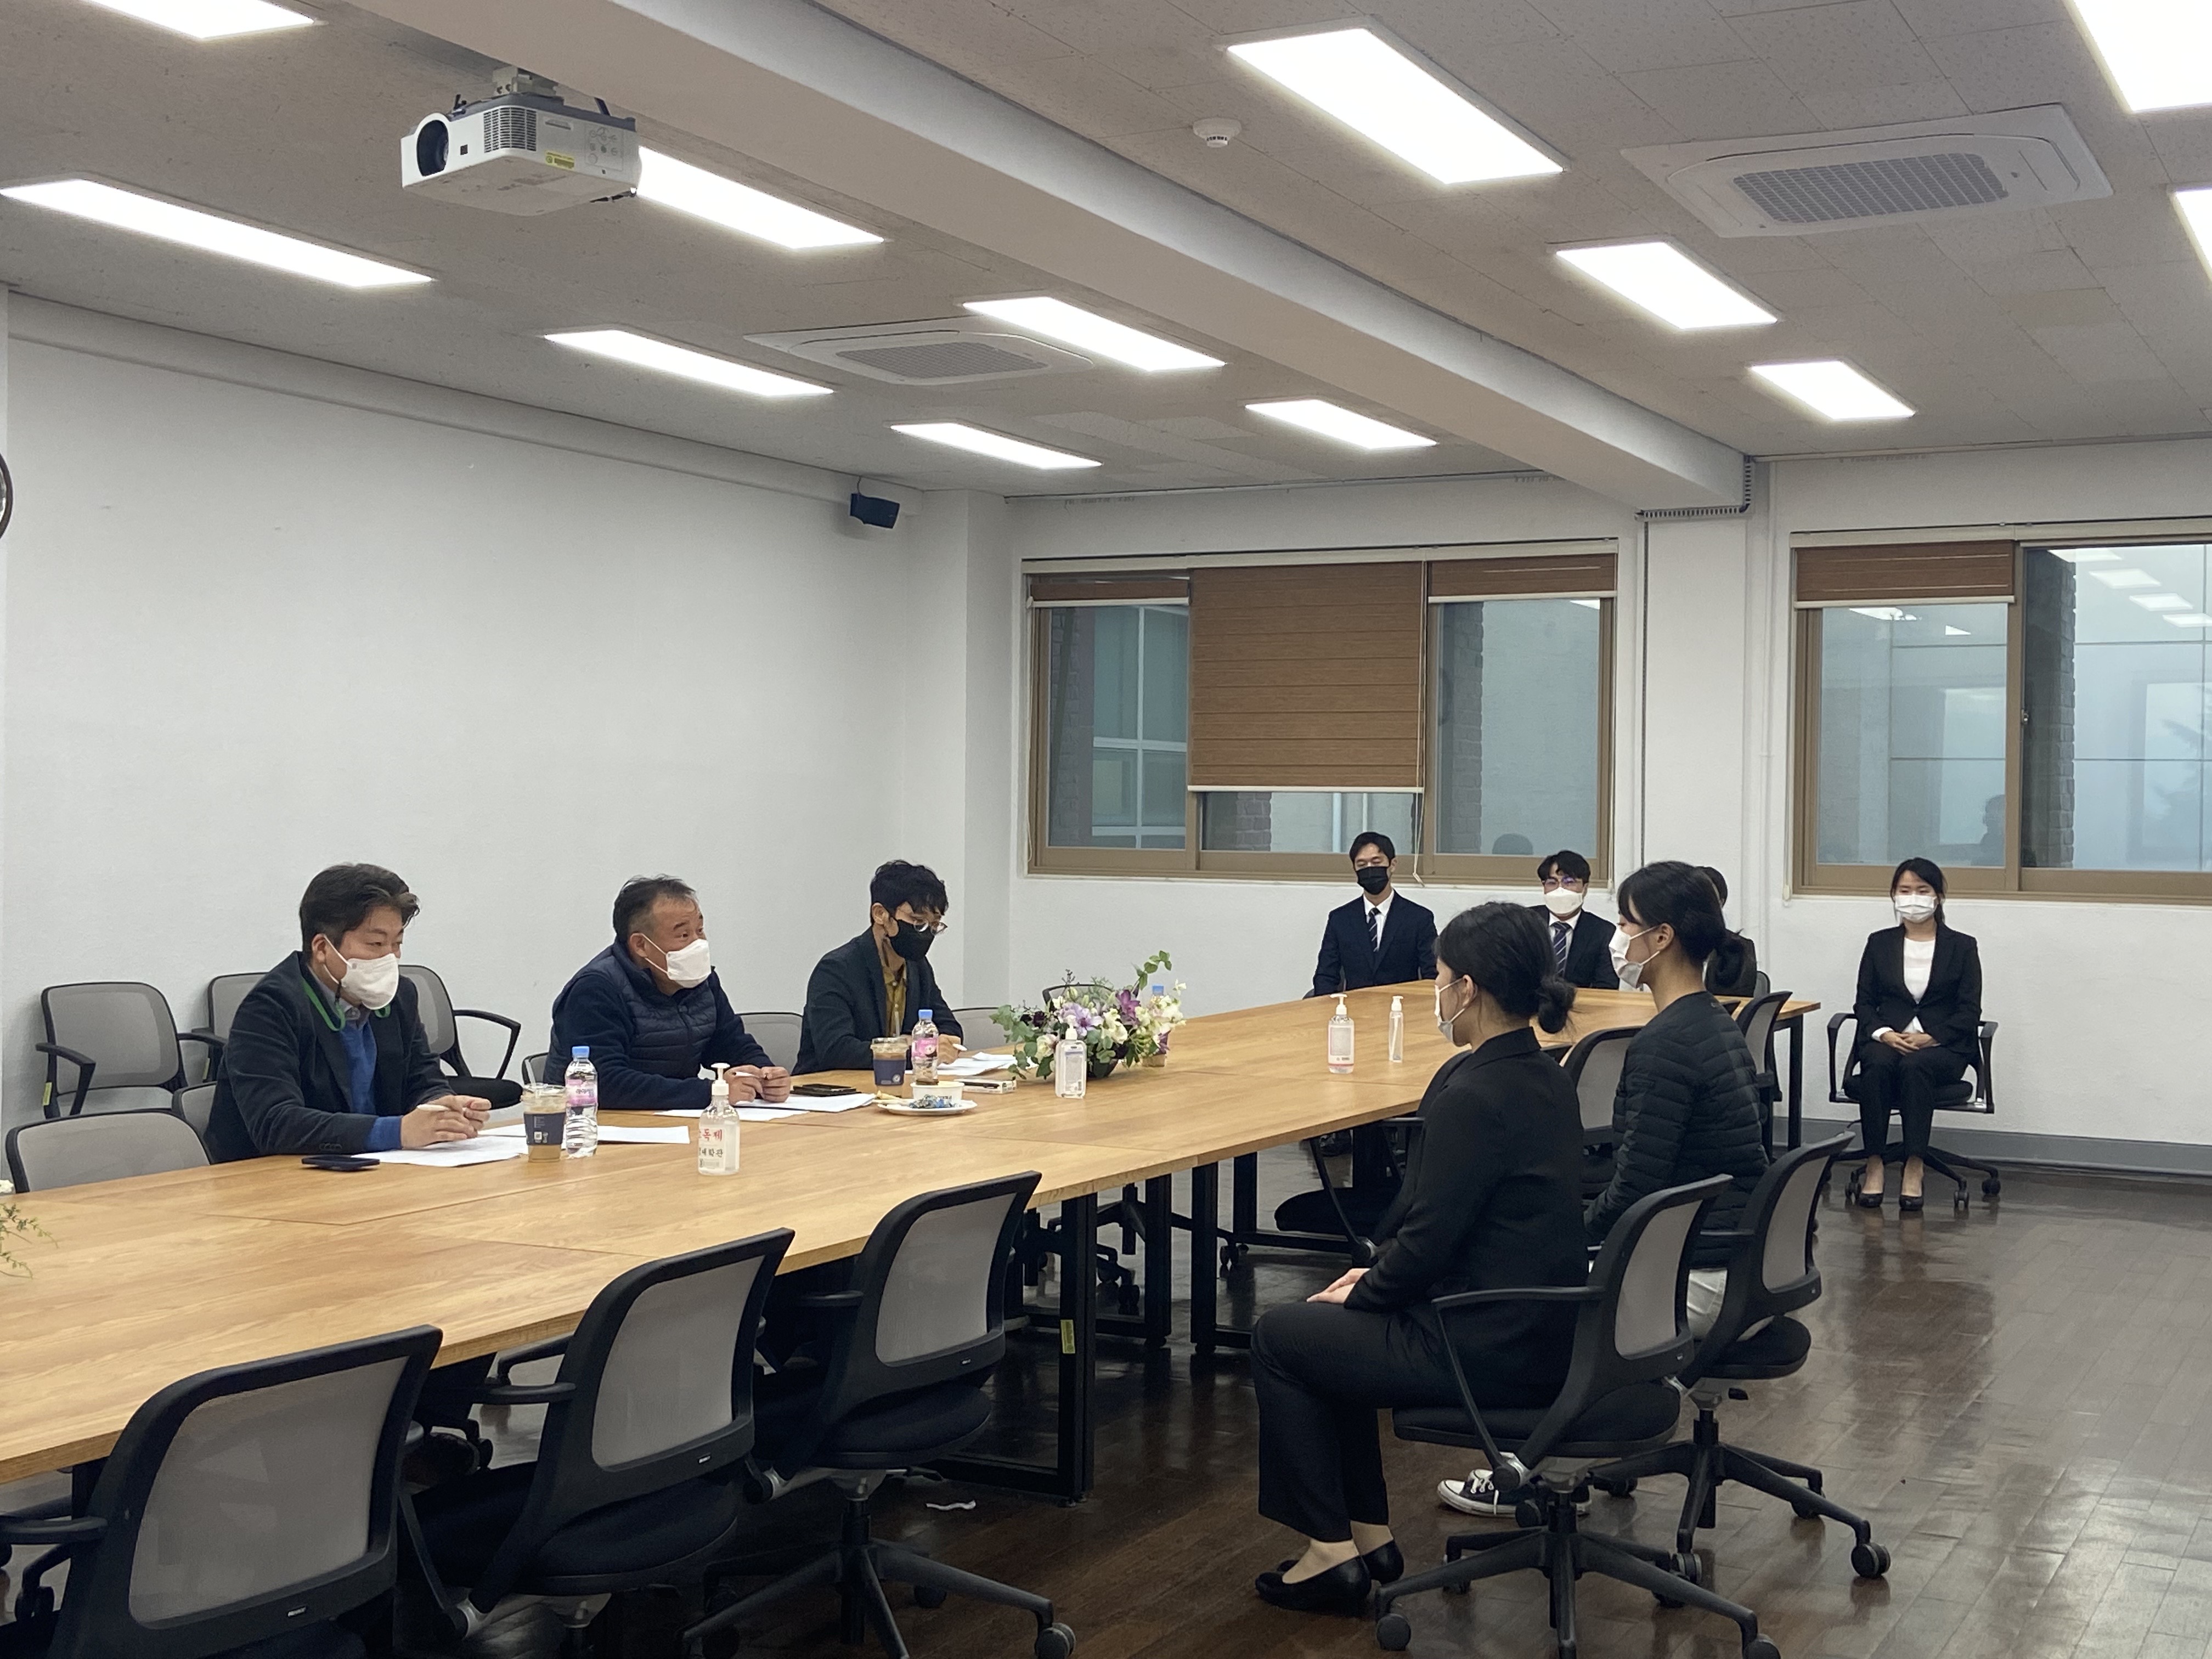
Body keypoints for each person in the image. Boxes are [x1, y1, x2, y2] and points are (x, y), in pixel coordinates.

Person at [1249, 903, 1587, 1614]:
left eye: (1439, 977)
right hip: (1537, 1327)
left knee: (1282, 1337)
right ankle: (1367, 1537)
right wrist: (1371, 1280)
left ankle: (1331, 1552)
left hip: (1478, 1341)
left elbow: (1430, 1241)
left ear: (1468, 989)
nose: (1435, 991)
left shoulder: (1475, 1093)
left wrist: (1367, 1288)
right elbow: (1445, 1232)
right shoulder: (1549, 1077)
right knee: (1329, 1332)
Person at [205, 864, 492, 1161]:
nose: (390, 958)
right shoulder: (270, 1008)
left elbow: (422, 1079)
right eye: (376, 944)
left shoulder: (399, 997)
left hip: (374, 1167)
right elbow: (276, 1123)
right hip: (270, 1176)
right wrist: (398, 1131)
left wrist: (442, 1109)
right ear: (322, 948)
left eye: (397, 943)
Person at [547, 876, 792, 1109]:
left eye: (700, 930)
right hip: (597, 1125)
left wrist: (765, 1075)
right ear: (641, 945)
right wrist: (711, 1091)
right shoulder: (596, 989)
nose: (698, 944)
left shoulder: (701, 980)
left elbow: (731, 1044)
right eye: (684, 935)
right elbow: (605, 1083)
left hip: (675, 1119)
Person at [1849, 857, 1982, 1214]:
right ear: (1894, 896)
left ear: (1938, 897)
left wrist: (1931, 1037)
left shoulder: (1962, 946)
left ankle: (1914, 1164)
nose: (1913, 898)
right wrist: (1884, 1034)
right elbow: (1864, 1003)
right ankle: (1875, 1162)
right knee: (1877, 1064)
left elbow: (1969, 1011)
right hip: (1888, 1040)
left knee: (1916, 1067)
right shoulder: (1879, 943)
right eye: (1905, 890)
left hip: (1943, 1047)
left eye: (1922, 890)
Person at [796, 860, 963, 1074]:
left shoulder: (918, 966)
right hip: (829, 1088)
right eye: (918, 922)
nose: (925, 934)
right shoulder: (836, 970)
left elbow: (949, 1028)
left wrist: (940, 1043)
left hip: (895, 1083)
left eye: (934, 925)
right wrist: (908, 1049)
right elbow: (836, 1050)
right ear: (880, 914)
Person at [1308, 831, 1437, 997]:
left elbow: (1432, 976)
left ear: (1393, 865)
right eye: (1362, 865)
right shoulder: (1340, 919)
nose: (1369, 869)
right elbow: (1326, 976)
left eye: (1376, 862)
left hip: (1403, 1006)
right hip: (1354, 1007)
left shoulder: (1419, 918)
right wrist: (1325, 1008)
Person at [1531, 849, 1617, 990]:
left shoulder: (1603, 932)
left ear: (1585, 888)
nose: (1560, 889)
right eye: (1552, 883)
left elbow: (1606, 987)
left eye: (1569, 882)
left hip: (1581, 1002)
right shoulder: (1524, 921)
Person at [1697, 866, 1762, 998]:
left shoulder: (1738, 951)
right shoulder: (1670, 945)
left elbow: (1736, 1004)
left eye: (1707, 898)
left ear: (1720, 903)